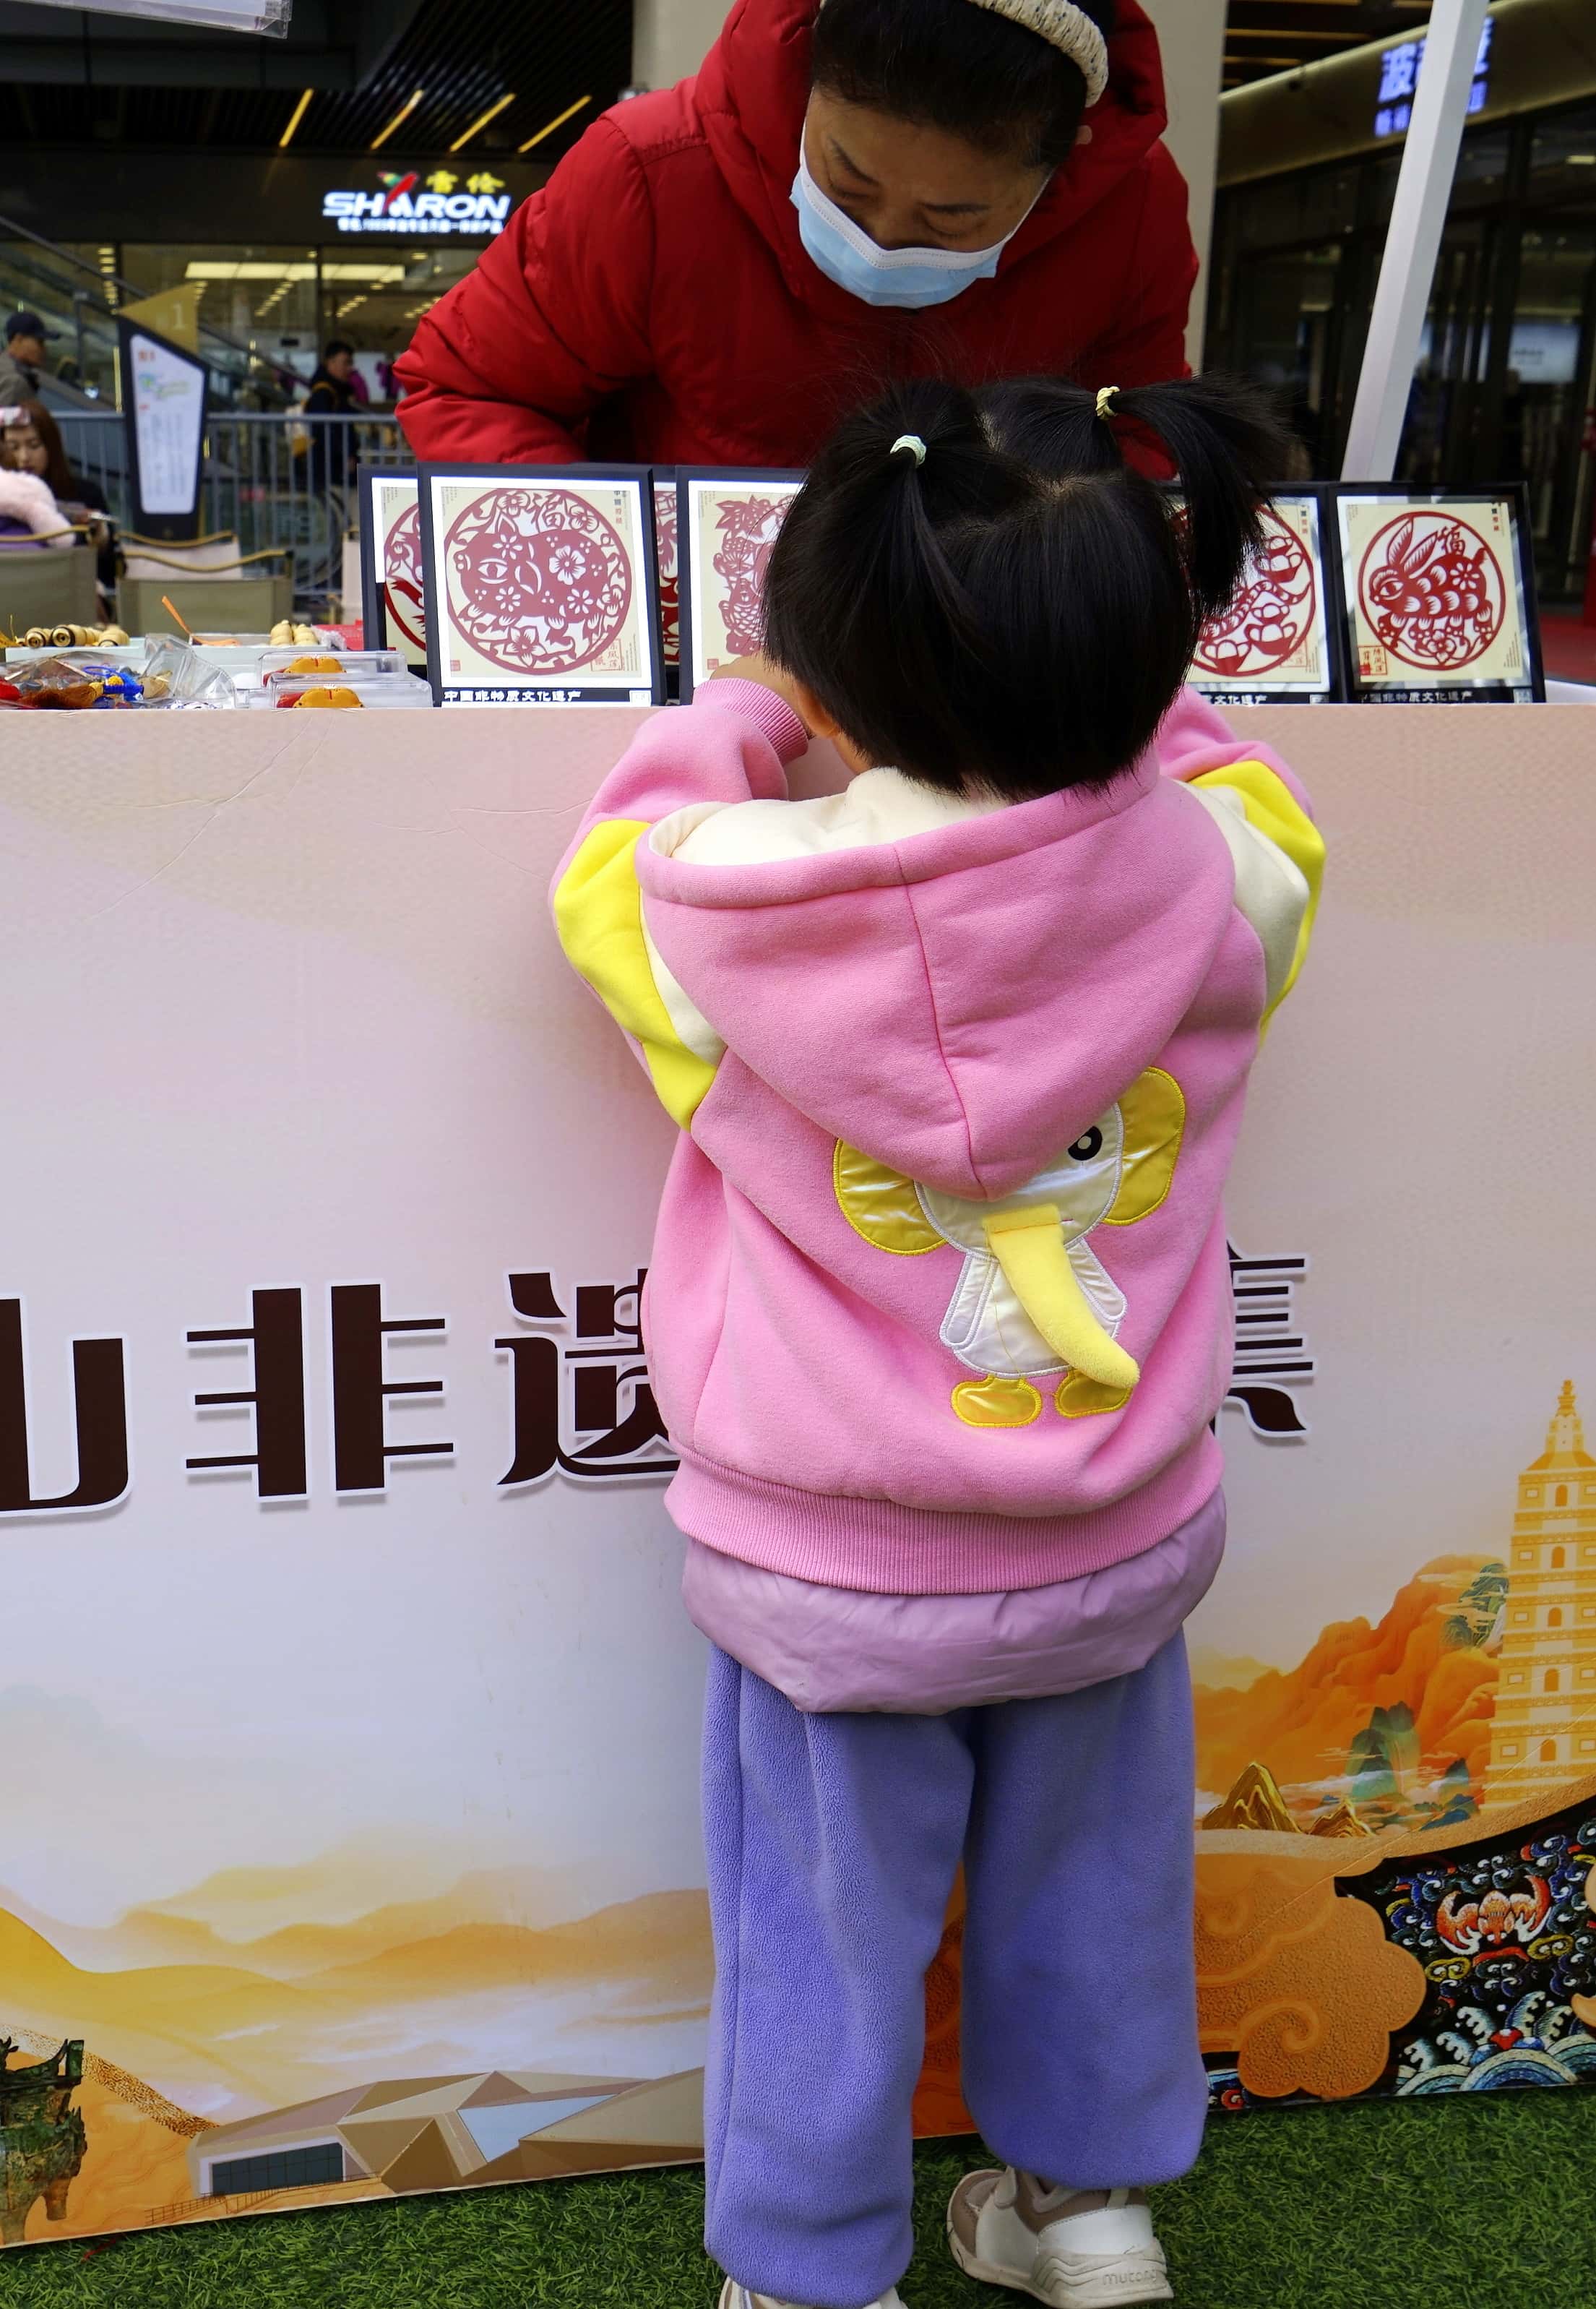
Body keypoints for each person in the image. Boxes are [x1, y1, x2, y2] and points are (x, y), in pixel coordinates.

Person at [550, 373, 1322, 2309]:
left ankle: (810, 2271)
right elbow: (1263, 810)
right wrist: (1136, 697)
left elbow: (607, 865)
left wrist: (747, 709)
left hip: (832, 1571)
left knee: (820, 1929)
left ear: (835, 654)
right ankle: (1088, 2212)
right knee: (1098, 1892)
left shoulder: (731, 910)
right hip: (1108, 1542)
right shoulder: (1219, 885)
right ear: (1138, 648)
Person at [396, 0, 1199, 468]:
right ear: (805, 75)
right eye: (847, 183)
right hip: (685, 659)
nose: (882, 241)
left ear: (1070, 158)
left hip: (982, 664)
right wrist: (609, 569)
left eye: (949, 219)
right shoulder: (650, 173)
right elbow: (472, 390)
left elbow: (1138, 438)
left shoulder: (1129, 213)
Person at [302, 340, 361, 490]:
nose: (349, 368)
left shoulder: (338, 392)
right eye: (345, 363)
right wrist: (344, 455)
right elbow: (322, 429)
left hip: (335, 470)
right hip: (331, 471)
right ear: (331, 363)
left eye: (350, 363)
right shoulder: (324, 393)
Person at [0, 311, 55, 408]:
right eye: (39, 342)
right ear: (19, 339)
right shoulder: (15, 381)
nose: (43, 349)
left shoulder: (5, 366)